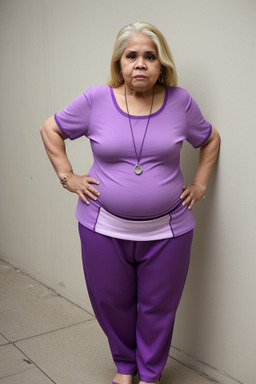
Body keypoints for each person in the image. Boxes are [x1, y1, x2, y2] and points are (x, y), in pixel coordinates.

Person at [40, 22, 220, 384]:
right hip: (102, 226)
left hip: (168, 229)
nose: (140, 64)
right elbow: (50, 129)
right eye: (132, 56)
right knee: (111, 303)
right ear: (119, 64)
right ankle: (125, 367)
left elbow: (210, 139)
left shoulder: (180, 102)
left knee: (158, 308)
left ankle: (150, 374)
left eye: (149, 56)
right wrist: (67, 177)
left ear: (161, 64)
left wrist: (200, 185)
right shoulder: (95, 99)